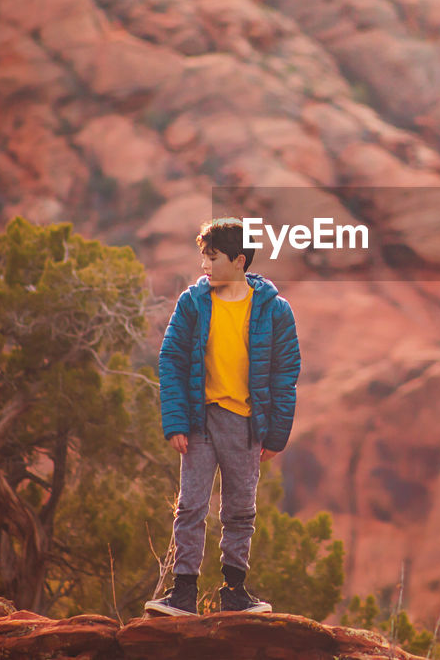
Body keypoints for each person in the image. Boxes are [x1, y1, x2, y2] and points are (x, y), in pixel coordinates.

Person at [145, 217, 301, 616]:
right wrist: (176, 423)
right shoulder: (193, 302)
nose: (205, 266)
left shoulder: (274, 310)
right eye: (204, 258)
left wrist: (276, 435)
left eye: (212, 258)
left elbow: (286, 373)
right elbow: (172, 360)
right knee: (191, 506)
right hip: (199, 421)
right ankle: (183, 594)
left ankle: (234, 593)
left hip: (246, 424)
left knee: (239, 511)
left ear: (239, 260)